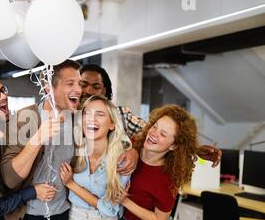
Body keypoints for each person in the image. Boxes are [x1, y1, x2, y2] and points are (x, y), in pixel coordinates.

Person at [1, 60, 82, 220]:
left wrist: (129, 150)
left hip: (59, 217)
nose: (79, 89)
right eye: (70, 83)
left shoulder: (80, 121)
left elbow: (115, 132)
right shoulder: (25, 118)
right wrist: (38, 138)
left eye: (80, 83)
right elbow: (9, 177)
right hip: (22, 219)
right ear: (49, 87)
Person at [118, 105, 217, 220]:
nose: (154, 133)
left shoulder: (166, 179)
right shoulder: (135, 146)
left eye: (163, 134)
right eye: (155, 126)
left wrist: (125, 201)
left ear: (173, 146)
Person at [79, 64, 222, 166]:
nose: (88, 90)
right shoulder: (65, 117)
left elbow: (153, 134)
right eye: (83, 84)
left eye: (96, 86)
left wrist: (195, 150)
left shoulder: (121, 115)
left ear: (104, 90)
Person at [59, 95, 132, 220]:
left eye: (99, 114)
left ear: (112, 124)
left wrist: (71, 184)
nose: (91, 118)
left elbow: (109, 209)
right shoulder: (74, 151)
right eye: (87, 114)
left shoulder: (122, 160)